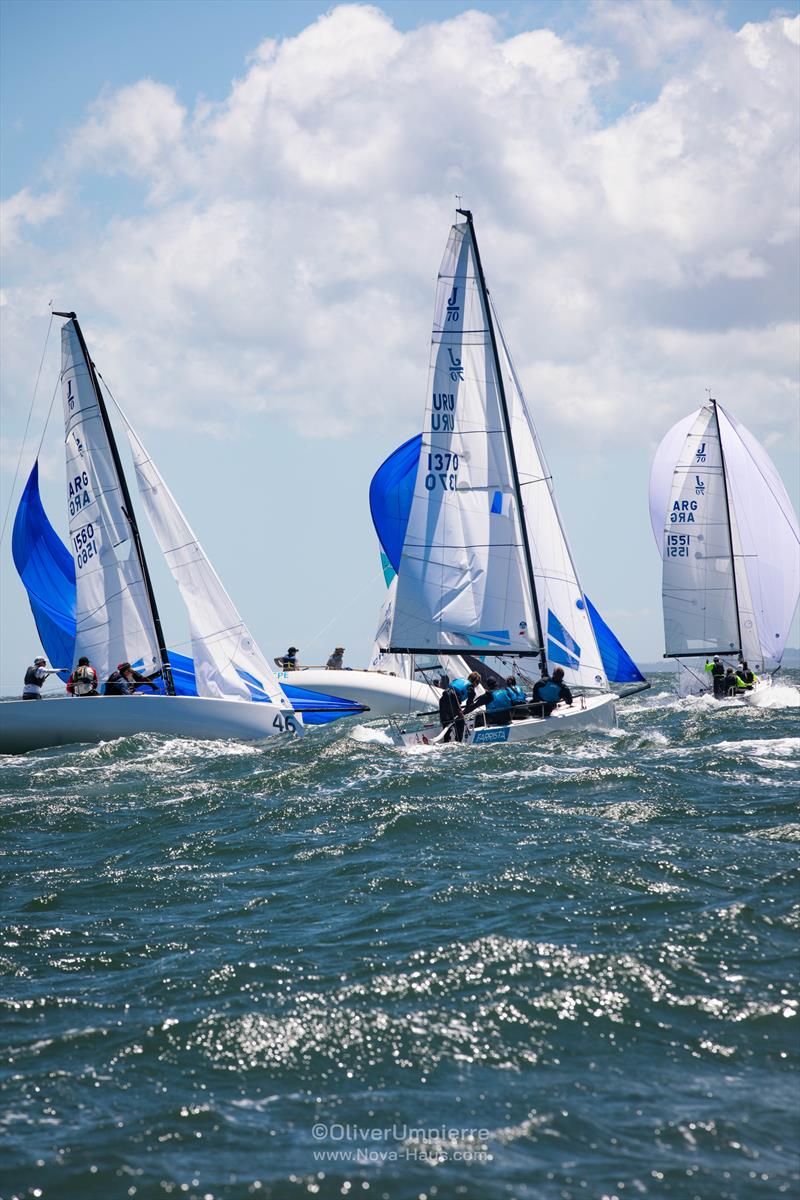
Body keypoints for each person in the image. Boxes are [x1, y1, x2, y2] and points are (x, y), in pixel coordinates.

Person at [438, 671, 481, 742]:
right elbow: (469, 705)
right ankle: (458, 742)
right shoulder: (471, 688)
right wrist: (463, 712)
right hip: (453, 700)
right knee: (460, 723)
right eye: (477, 684)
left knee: (447, 722)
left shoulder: (459, 679)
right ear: (475, 682)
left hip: (443, 700)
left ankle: (446, 740)